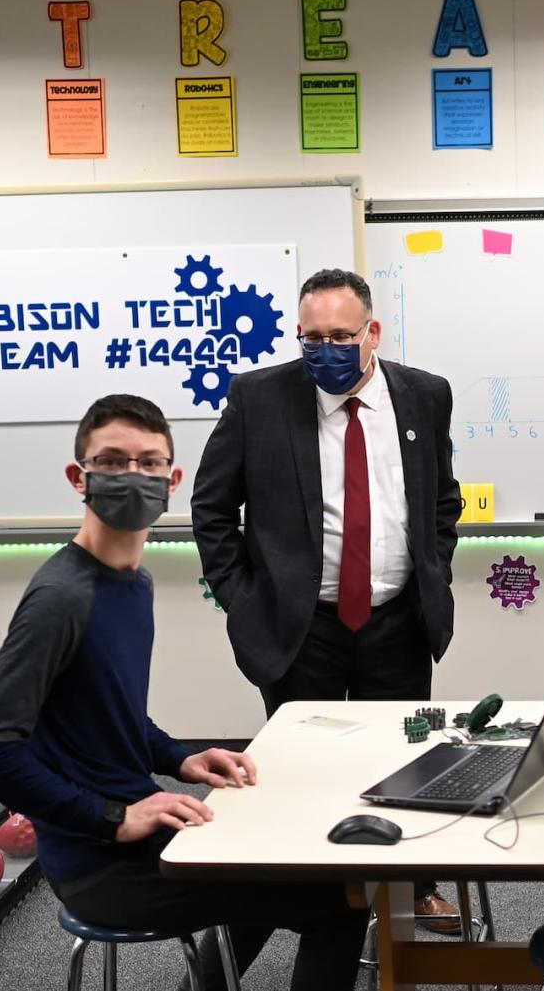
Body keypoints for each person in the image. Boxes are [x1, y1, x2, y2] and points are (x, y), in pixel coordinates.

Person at [0, 394, 368, 990]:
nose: (133, 476)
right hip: (101, 867)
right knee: (337, 899)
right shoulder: (63, 597)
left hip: (137, 835)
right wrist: (111, 816)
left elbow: (110, 712)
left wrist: (179, 758)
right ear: (80, 477)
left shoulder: (133, 583)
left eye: (150, 463)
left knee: (280, 869)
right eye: (113, 461)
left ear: (173, 480)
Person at [191, 268, 463, 929]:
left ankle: (413, 883)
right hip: (298, 625)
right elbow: (212, 506)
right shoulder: (260, 396)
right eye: (311, 337)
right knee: (301, 766)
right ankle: (314, 895)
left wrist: (434, 568)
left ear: (373, 332)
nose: (325, 349)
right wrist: (241, 597)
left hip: (397, 619)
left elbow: (442, 498)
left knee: (403, 758)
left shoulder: (425, 395)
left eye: (341, 335)